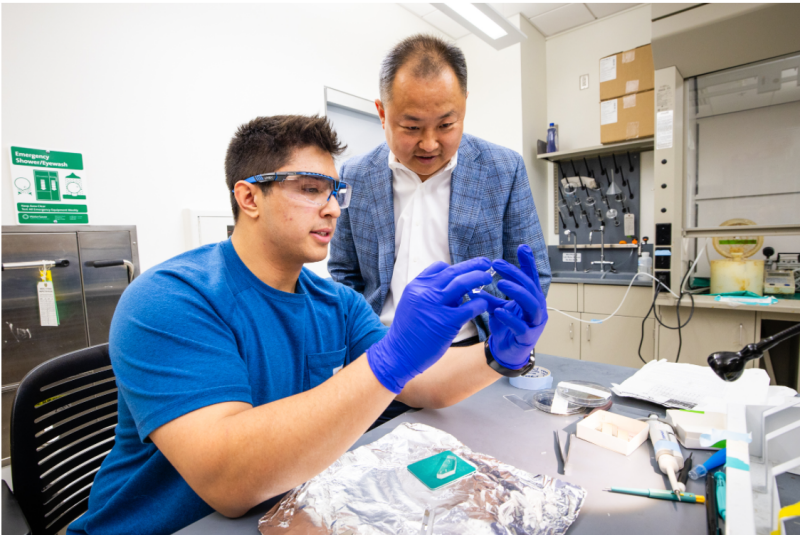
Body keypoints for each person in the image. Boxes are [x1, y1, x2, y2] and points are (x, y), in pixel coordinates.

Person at [67, 115, 548, 535]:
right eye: (311, 189)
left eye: (336, 191)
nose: (334, 207)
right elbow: (228, 483)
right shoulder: (169, 299)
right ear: (249, 197)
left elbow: (423, 384)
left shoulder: (335, 303)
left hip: (276, 514)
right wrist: (392, 356)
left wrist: (500, 356)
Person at [329, 34, 551, 346]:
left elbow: (531, 276)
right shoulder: (354, 175)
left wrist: (506, 340)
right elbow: (343, 275)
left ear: (464, 106)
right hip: (378, 346)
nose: (430, 144)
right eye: (411, 127)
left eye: (446, 125)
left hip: (469, 349)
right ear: (382, 113)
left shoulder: (503, 169)